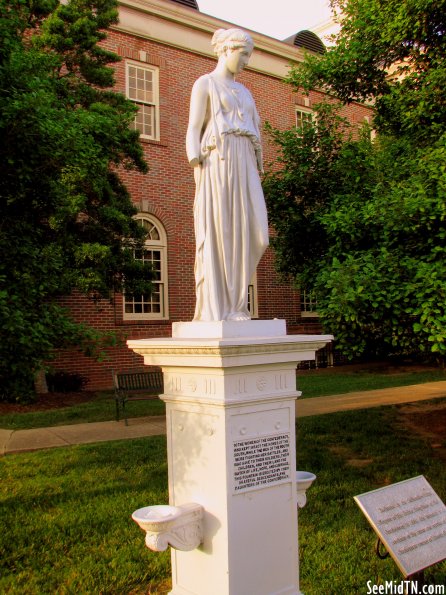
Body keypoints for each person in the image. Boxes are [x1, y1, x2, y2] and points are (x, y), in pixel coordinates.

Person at [186, 28, 269, 322]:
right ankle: (227, 307)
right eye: (243, 54)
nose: (246, 61)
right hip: (218, 162)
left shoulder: (245, 92)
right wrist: (196, 165)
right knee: (223, 233)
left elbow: (255, 129)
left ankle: (236, 303)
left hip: (245, 161)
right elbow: (194, 128)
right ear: (226, 50)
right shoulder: (205, 84)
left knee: (258, 234)